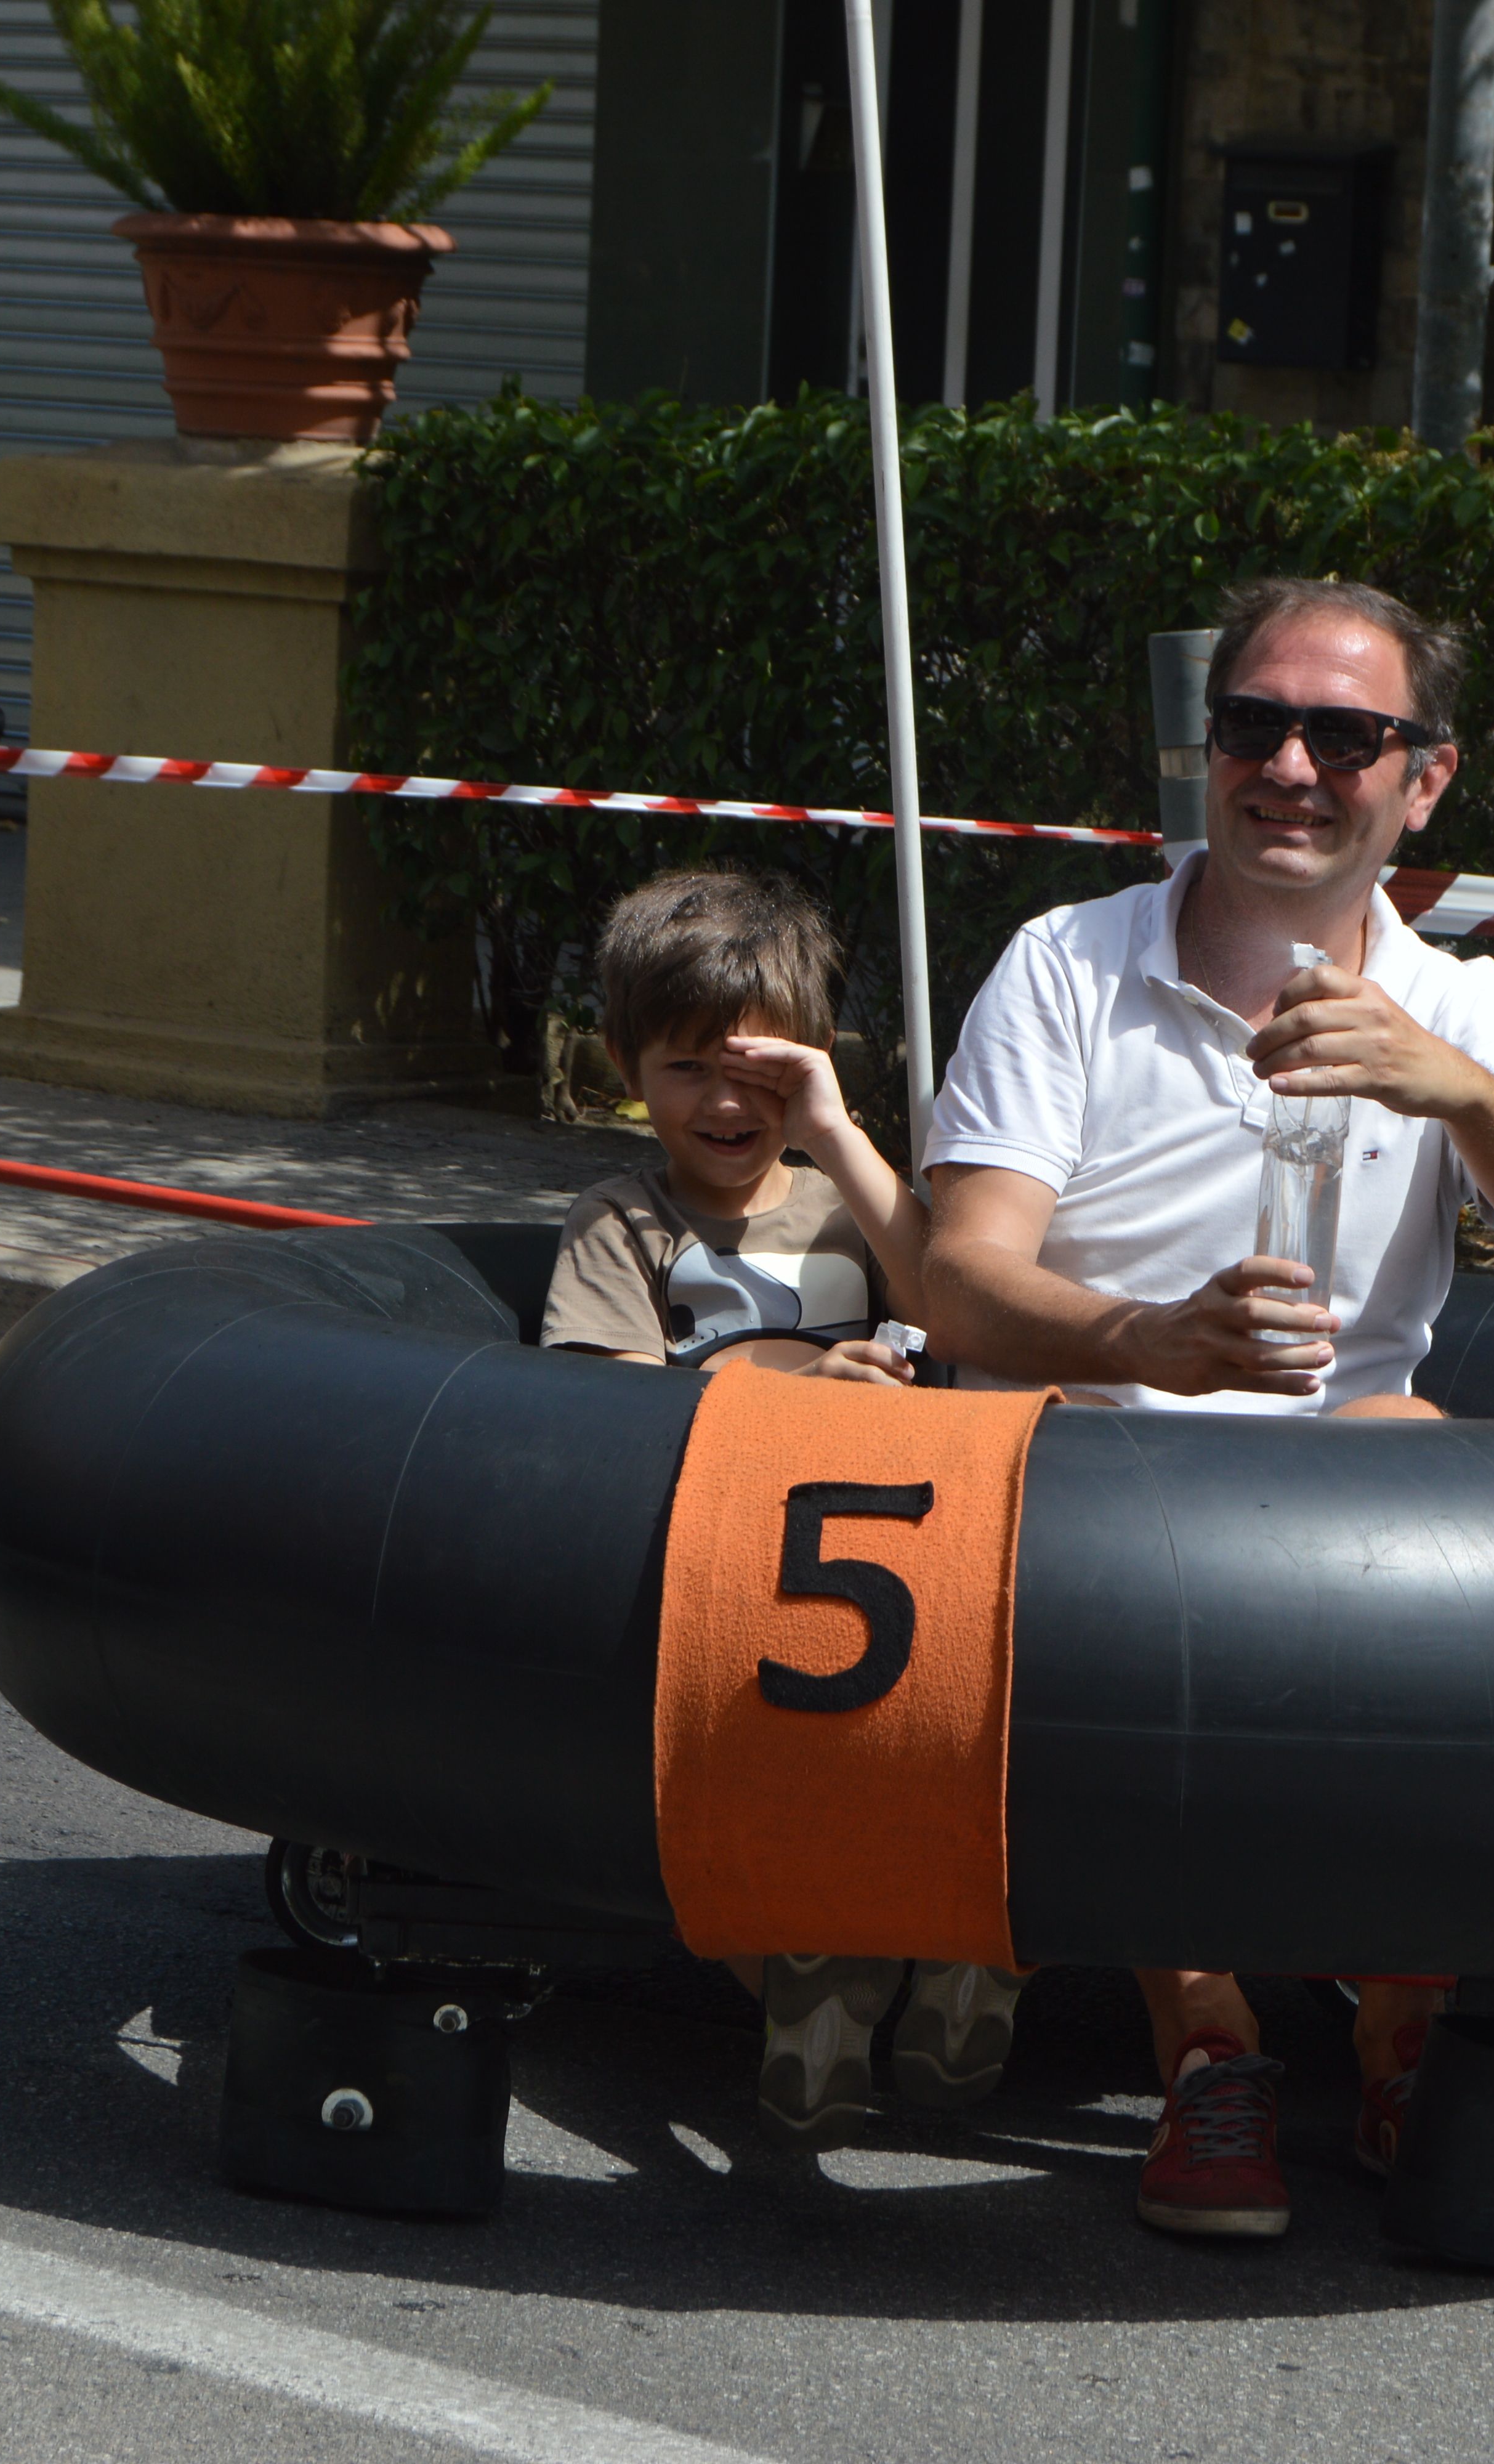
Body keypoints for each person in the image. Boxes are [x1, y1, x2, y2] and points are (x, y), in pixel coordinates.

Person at [913, 575, 1494, 2240]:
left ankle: (1400, 2005)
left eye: (1346, 737)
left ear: (1421, 782)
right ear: (1205, 748)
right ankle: (1207, 2041)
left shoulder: (1456, 1006)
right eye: (1257, 724)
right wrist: (1156, 1340)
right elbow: (961, 1279)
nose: (1292, 766)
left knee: (1428, 1470)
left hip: (1341, 1473)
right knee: (1165, 1526)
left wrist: (1442, 1079)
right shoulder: (1067, 964)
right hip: (1101, 1454)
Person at [536, 867, 1028, 2147]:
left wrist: (840, 1132)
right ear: (626, 1068)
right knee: (771, 1767)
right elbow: (609, 1408)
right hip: (726, 1554)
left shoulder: (845, 1208)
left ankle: (949, 1958)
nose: (726, 1100)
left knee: (924, 1741)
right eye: (688, 1065)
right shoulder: (623, 1224)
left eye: (761, 1068)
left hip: (881, 1554)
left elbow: (957, 1300)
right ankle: (811, 1977)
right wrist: (799, 1379)